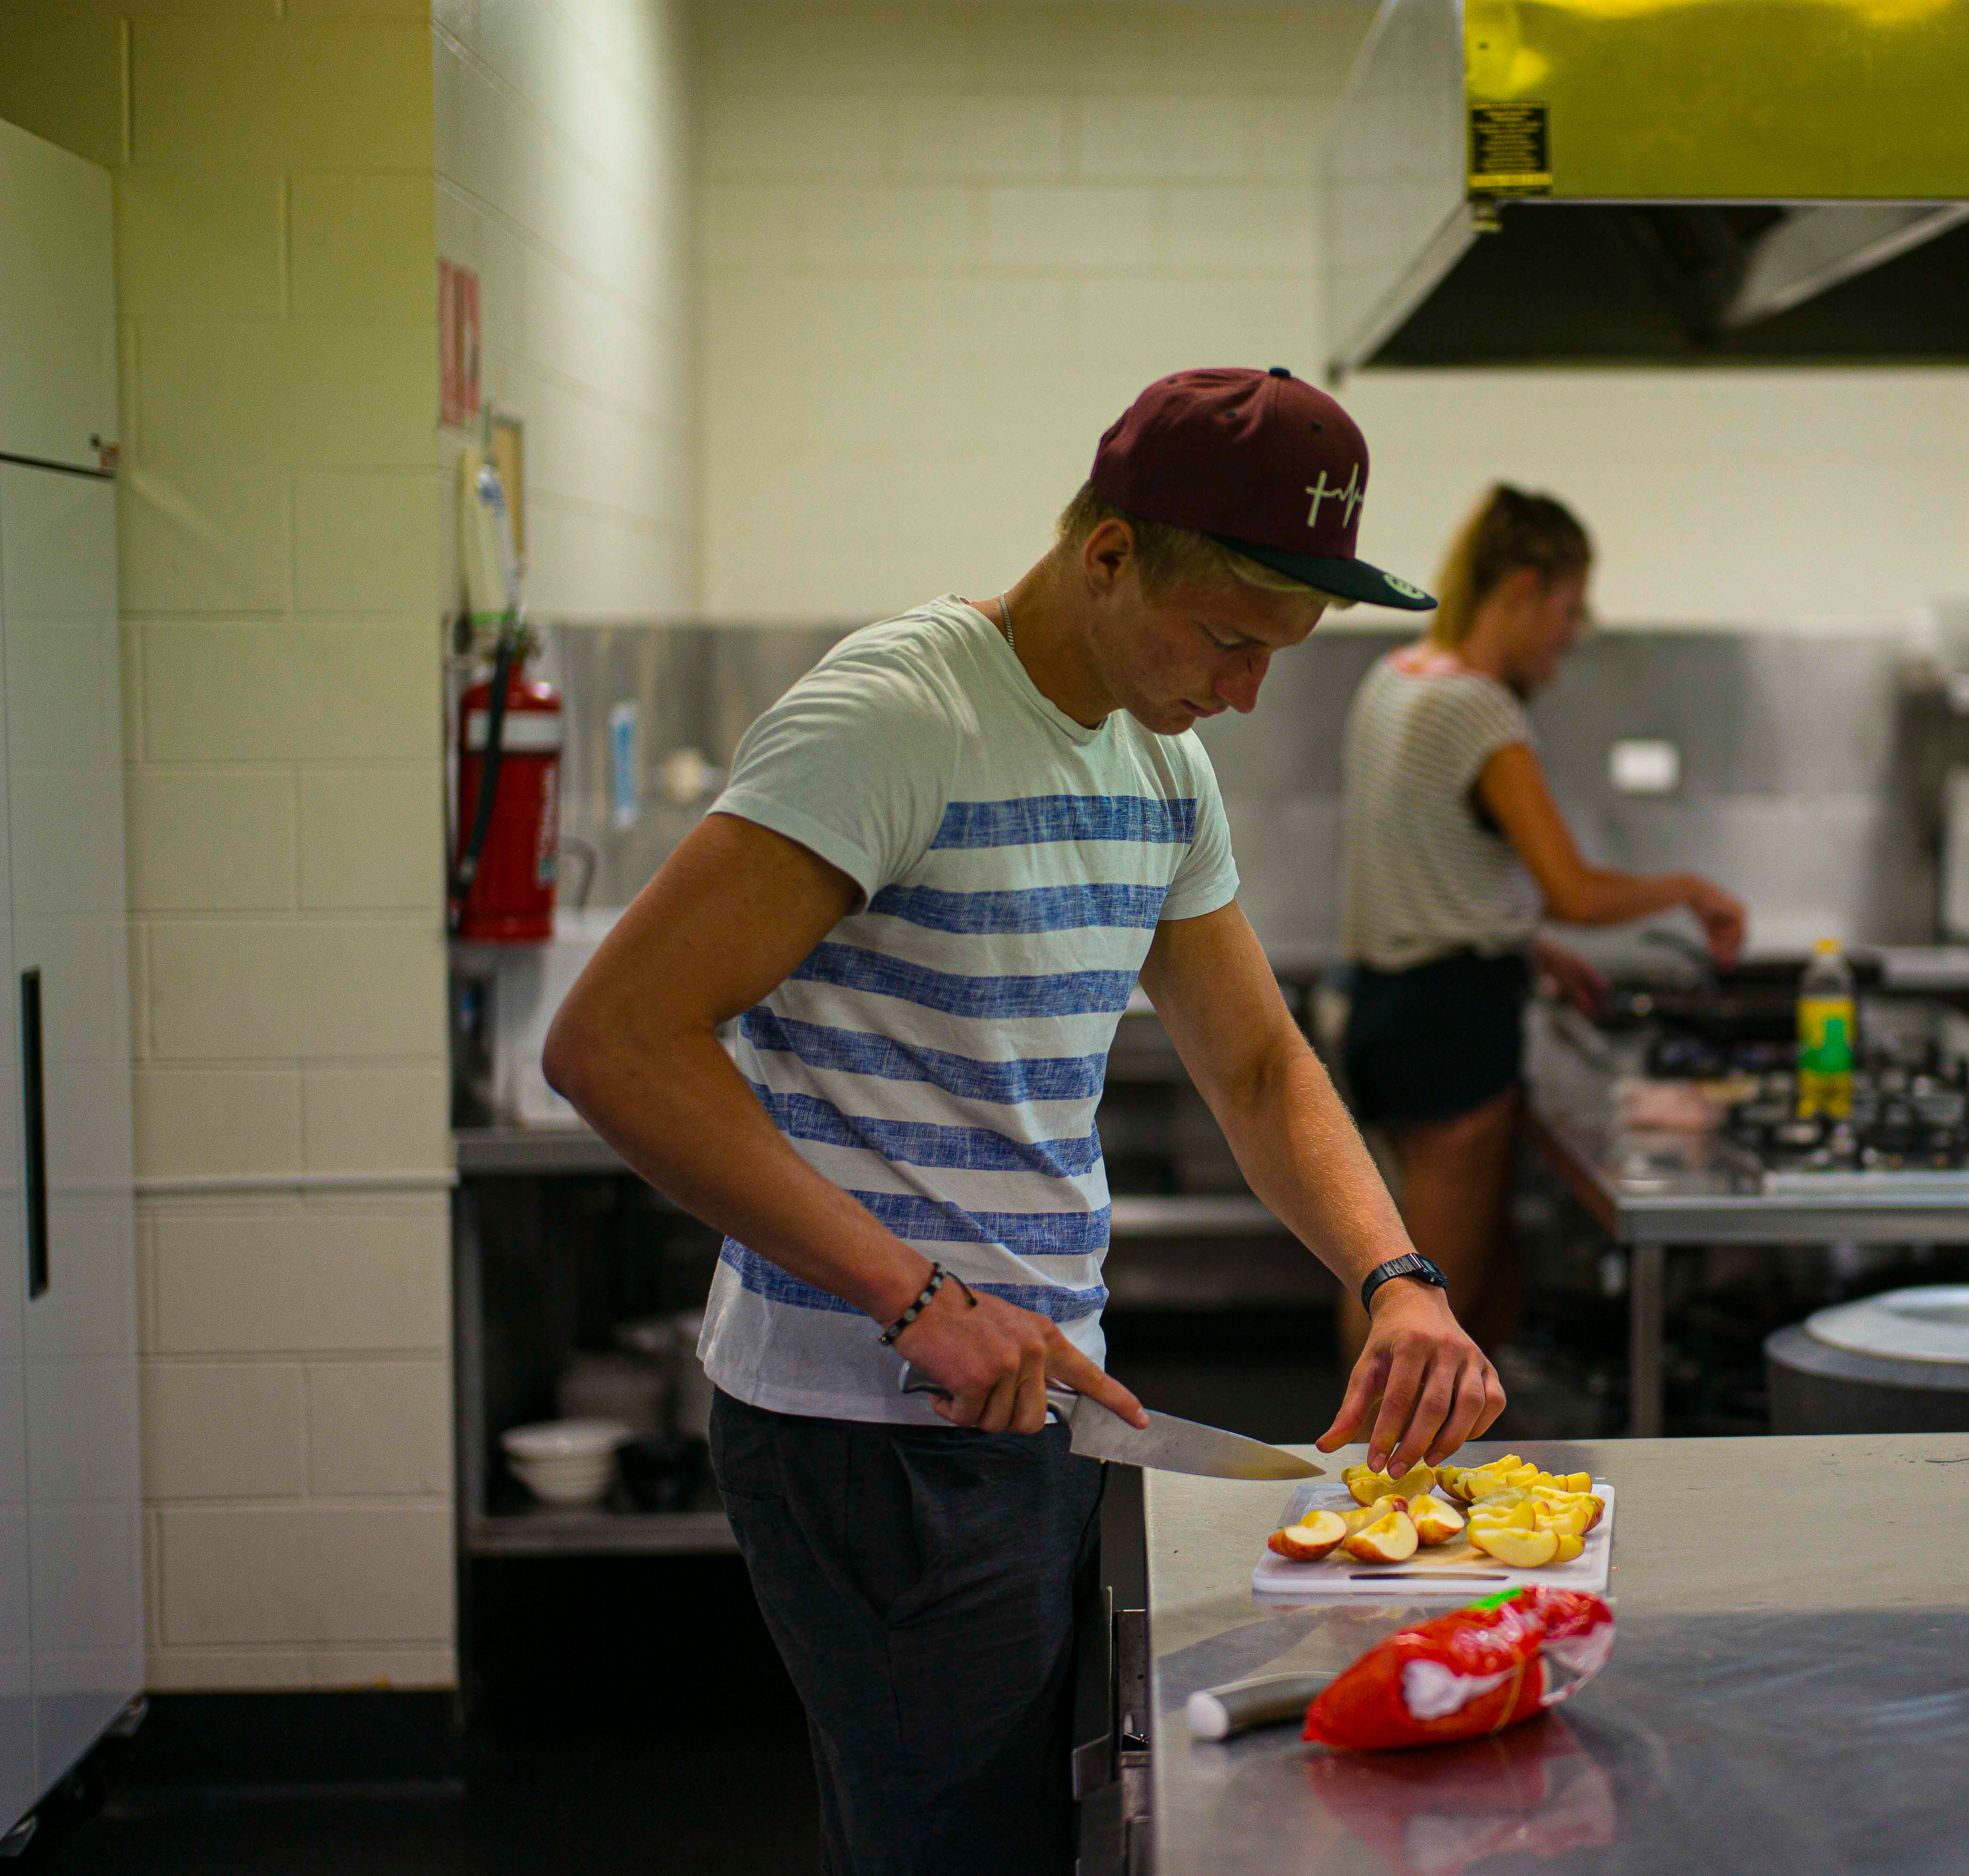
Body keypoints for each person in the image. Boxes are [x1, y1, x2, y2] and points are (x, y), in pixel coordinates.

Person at [543, 367, 1505, 1876]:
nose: (1249, 691)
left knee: (1011, 1833)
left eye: (1283, 653)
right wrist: (913, 1298)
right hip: (872, 1424)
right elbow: (615, 1043)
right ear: (1108, 555)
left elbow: (1255, 1063)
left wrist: (1395, 1278)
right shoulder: (896, 720)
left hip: (1040, 1403)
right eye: (1234, 640)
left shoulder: (1158, 761)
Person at [1334, 484, 1747, 1360]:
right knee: (1426, 1299)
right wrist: (1690, 888)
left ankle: (1444, 1475)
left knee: (1440, 1277)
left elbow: (1425, 864)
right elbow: (1577, 891)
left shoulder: (1394, 679)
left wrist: (1528, 946)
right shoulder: (1477, 705)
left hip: (1387, 1010)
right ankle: (1372, 1484)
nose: (1574, 631)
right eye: (1568, 607)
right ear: (1520, 589)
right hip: (1451, 1020)